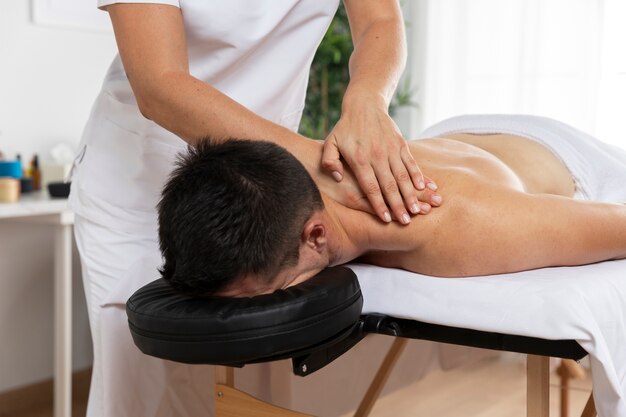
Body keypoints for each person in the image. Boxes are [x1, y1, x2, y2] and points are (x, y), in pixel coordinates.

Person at [70, 2, 442, 416]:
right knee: (145, 396)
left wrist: (367, 102)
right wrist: (308, 163)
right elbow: (159, 85)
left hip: (264, 200)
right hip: (141, 185)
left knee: (252, 390)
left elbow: (380, 18)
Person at [158, 115, 626, 297]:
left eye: (266, 292)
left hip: (566, 156)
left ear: (316, 236)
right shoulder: (272, 177)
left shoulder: (457, 223)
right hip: (453, 130)